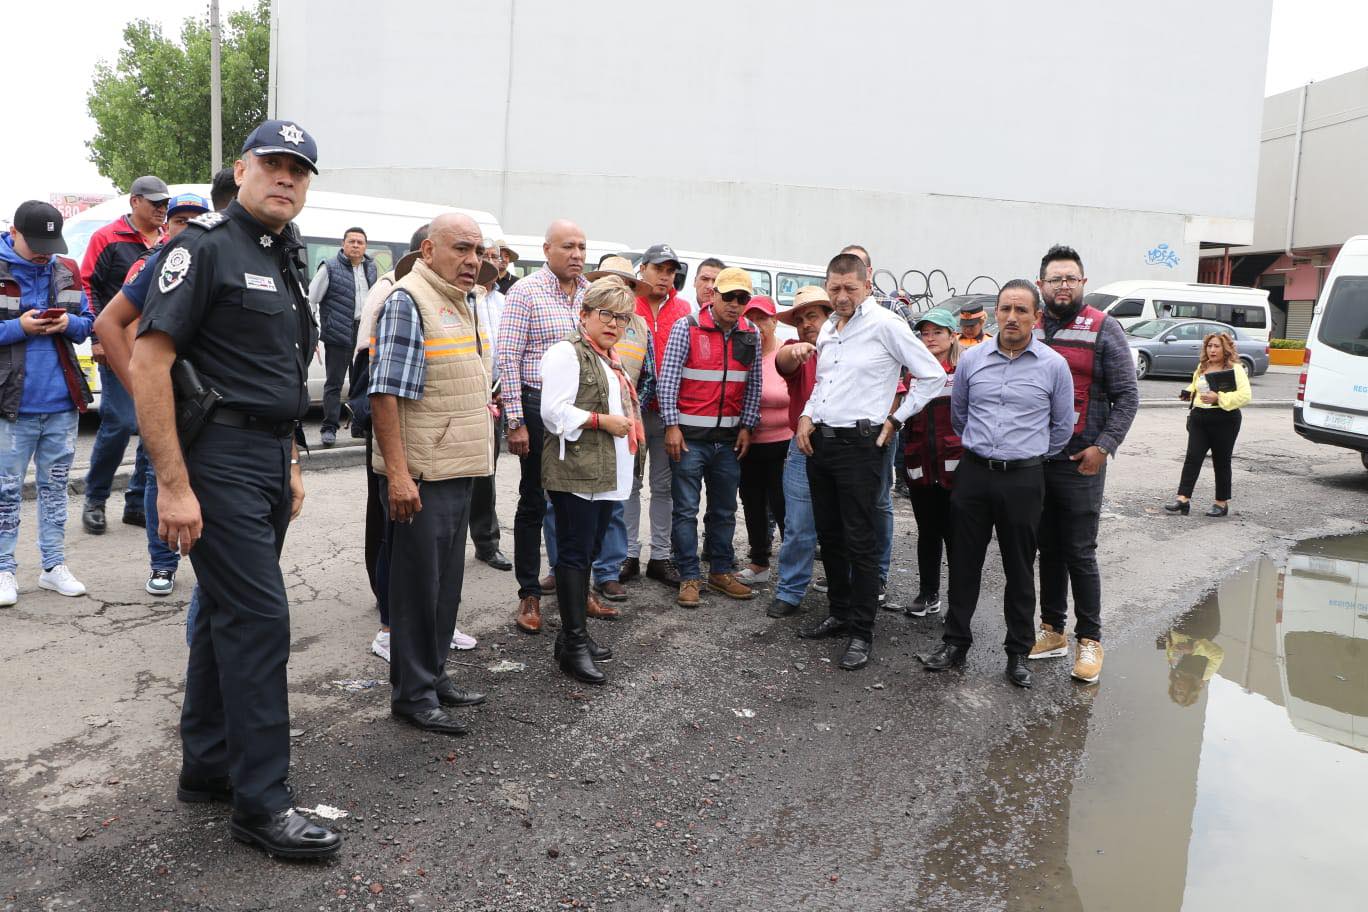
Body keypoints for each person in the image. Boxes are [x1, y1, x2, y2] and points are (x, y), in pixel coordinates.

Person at [130, 120, 341, 858]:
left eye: (300, 170)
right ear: (243, 168)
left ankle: (209, 768)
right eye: (275, 165)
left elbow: (278, 378)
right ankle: (262, 803)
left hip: (264, 460)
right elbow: (148, 363)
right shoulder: (202, 248)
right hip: (214, 462)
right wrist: (172, 484)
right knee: (260, 623)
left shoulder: (283, 258)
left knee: (227, 613)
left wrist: (287, 462)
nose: (287, 178)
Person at [368, 212, 494, 736]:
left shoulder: (458, 301)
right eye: (461, 248)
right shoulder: (408, 300)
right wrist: (398, 475)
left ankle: (433, 674)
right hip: (423, 471)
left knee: (445, 584)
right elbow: (385, 392)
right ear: (428, 251)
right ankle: (413, 694)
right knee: (418, 588)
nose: (473, 260)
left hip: (457, 465)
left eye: (478, 251)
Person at [917, 281, 1074, 689]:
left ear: (1036, 317)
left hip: (1024, 478)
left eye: (1022, 310)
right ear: (995, 313)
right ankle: (955, 643)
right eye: (1006, 308)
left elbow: (1060, 429)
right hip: (973, 474)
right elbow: (960, 416)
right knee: (964, 562)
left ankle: (1017, 652)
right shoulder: (972, 361)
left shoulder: (1053, 366)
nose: (1012, 317)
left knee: (1019, 568)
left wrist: (1026, 454)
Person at [794, 253, 945, 671]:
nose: (841, 296)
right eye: (835, 288)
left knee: (860, 541)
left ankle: (862, 631)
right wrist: (807, 414)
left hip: (860, 446)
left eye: (850, 289)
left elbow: (931, 375)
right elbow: (826, 383)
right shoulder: (828, 327)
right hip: (820, 444)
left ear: (867, 284)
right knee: (831, 536)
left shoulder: (886, 325)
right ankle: (840, 613)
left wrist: (896, 419)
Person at [95, 190, 215, 598]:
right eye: (180, 221)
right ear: (168, 226)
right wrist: (142, 391)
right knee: (155, 474)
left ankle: (211, 561)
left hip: (206, 397)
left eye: (197, 220)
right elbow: (118, 325)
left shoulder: (213, 260)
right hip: (164, 391)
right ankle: (162, 564)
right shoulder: (152, 263)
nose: (188, 228)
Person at [1031, 245, 1140, 684]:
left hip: (1081, 461)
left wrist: (1104, 446)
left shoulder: (1103, 328)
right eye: (1055, 279)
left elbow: (1128, 396)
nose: (1062, 286)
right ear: (1041, 285)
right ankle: (1053, 630)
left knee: (1079, 551)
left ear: (1083, 283)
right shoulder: (1030, 327)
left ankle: (1090, 639)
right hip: (1036, 461)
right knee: (1048, 549)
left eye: (1070, 278)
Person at [540, 276, 644, 684]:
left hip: (603, 473)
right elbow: (553, 413)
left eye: (622, 317)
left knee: (590, 551)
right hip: (577, 474)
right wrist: (602, 421)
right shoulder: (567, 353)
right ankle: (573, 643)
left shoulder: (609, 357)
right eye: (606, 314)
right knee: (575, 555)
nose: (615, 323)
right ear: (584, 314)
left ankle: (572, 639)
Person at [0, 201, 96, 606]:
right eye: (36, 243)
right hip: (10, 404)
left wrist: (68, 323)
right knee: (5, 492)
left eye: (50, 243)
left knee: (56, 489)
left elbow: (89, 322)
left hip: (61, 401)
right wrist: (17, 327)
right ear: (14, 233)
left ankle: (53, 566)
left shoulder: (66, 270)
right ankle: (4, 569)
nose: (45, 252)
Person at [498, 220, 590, 634]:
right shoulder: (525, 292)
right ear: (547, 249)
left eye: (582, 247)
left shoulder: (589, 294)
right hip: (536, 410)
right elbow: (509, 358)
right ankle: (529, 595)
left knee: (576, 503)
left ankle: (578, 590)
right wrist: (515, 421)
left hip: (577, 412)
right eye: (568, 246)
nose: (577, 255)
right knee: (534, 501)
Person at [658, 266, 764, 608]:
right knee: (686, 510)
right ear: (713, 295)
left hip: (729, 441)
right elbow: (668, 382)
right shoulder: (685, 328)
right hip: (690, 440)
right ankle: (689, 575)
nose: (734, 304)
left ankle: (719, 571)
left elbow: (754, 385)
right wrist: (671, 426)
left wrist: (747, 426)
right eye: (728, 297)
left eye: (742, 298)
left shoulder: (751, 334)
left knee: (723, 510)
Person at [80, 175, 169, 535]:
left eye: (165, 204)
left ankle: (136, 502)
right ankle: (95, 499)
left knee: (154, 426)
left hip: (156, 348)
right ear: (134, 202)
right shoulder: (107, 238)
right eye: (154, 203)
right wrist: (98, 339)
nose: (161, 209)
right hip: (117, 345)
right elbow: (87, 284)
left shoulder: (168, 241)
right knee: (118, 423)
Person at [839, 244, 911, 603]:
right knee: (849, 506)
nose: (845, 291)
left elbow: (909, 366)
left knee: (878, 502)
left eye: (858, 275)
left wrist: (895, 416)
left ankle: (876, 577)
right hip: (844, 430)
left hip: (879, 426)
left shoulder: (891, 311)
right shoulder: (838, 318)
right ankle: (852, 579)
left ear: (869, 277)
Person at [580, 256, 655, 604]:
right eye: (611, 280)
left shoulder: (639, 326)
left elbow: (649, 376)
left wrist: (628, 409)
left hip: (624, 426)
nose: (618, 287)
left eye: (624, 282)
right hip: (585, 427)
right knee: (569, 506)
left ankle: (608, 572)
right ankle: (567, 573)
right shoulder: (583, 322)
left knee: (615, 502)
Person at [622, 244, 690, 587]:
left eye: (670, 270)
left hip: (667, 412)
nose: (665, 276)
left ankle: (660, 557)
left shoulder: (683, 309)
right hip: (630, 409)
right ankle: (628, 554)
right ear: (643, 269)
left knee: (663, 486)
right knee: (629, 485)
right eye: (659, 269)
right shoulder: (627, 304)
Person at [768, 286, 833, 618]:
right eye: (801, 318)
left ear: (828, 317)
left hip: (843, 445)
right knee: (799, 525)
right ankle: (791, 591)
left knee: (844, 524)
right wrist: (795, 354)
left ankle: (845, 591)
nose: (807, 323)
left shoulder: (850, 348)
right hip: (802, 447)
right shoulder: (795, 348)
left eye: (813, 316)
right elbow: (784, 361)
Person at [900, 308, 963, 618]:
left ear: (952, 336)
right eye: (925, 333)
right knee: (927, 532)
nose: (931, 338)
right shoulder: (912, 375)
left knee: (955, 535)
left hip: (955, 469)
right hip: (920, 466)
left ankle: (957, 602)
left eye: (938, 332)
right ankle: (928, 594)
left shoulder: (963, 373)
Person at [736, 295, 791, 584]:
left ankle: (793, 569)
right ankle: (759, 562)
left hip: (783, 443)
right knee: (752, 502)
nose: (757, 324)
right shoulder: (741, 353)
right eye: (751, 318)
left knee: (783, 506)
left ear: (774, 321)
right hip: (748, 443)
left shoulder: (785, 354)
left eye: (763, 318)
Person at [1165, 332, 1251, 518]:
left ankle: (1221, 503)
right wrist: (1188, 392)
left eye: (1216, 346)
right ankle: (1183, 499)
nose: (1212, 350)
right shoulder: (1202, 366)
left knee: (1221, 461)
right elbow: (1196, 386)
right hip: (1199, 417)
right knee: (1192, 458)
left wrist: (1218, 397)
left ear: (1225, 348)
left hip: (1225, 419)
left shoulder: (1235, 369)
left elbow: (1245, 396)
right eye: (1209, 346)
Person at [308, 227, 376, 446]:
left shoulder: (371, 268)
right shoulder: (330, 267)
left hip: (363, 332)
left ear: (366, 246)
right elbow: (313, 297)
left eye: (360, 242)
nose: (356, 245)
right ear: (343, 244)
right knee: (334, 384)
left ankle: (360, 426)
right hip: (338, 332)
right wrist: (316, 327)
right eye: (352, 241)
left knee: (363, 383)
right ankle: (329, 428)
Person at [470, 251, 511, 574]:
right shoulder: (463, 295)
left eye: (501, 257)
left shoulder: (503, 301)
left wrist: (503, 391)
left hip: (494, 397)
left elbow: (506, 350)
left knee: (486, 472)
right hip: (461, 395)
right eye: (488, 255)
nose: (496, 262)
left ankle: (487, 543)